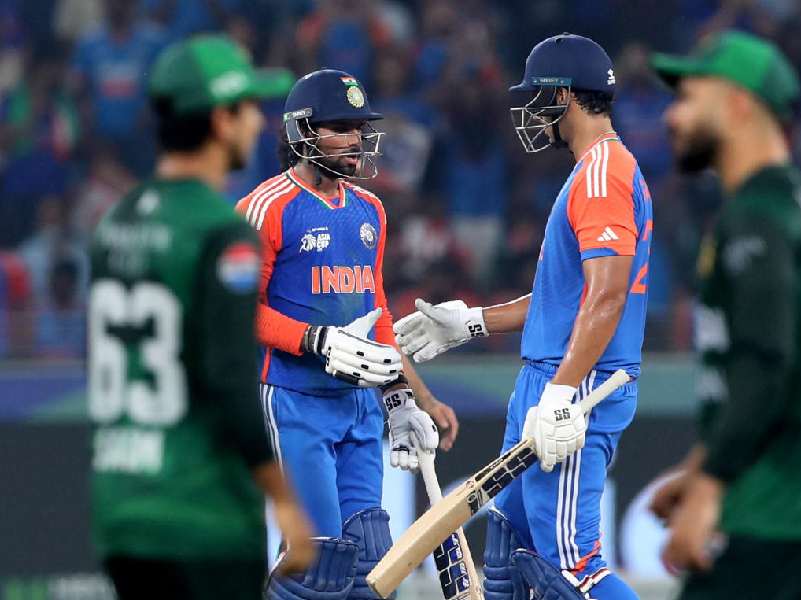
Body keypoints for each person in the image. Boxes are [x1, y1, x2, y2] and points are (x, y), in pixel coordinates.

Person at [394, 33, 652, 600]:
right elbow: (567, 297)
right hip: (554, 375)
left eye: (539, 97)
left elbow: (606, 297)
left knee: (573, 566)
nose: (533, 112)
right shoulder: (592, 169)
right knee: (509, 546)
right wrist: (474, 322)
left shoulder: (603, 172)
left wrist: (560, 393)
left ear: (564, 95)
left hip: (576, 381)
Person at [87, 34, 315, 599]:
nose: (259, 124)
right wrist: (284, 501)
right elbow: (230, 381)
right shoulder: (222, 233)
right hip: (203, 516)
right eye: (248, 110)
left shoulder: (114, 221)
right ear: (220, 120)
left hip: (124, 508)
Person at [647, 31, 801, 598]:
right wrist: (700, 465)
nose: (674, 116)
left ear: (739, 104)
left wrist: (709, 490)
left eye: (691, 97)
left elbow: (766, 365)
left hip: (769, 501)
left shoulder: (755, 216)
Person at [234, 68, 459, 600]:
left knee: (372, 567)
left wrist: (406, 398)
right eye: (340, 127)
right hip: (295, 401)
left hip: (359, 409)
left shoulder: (371, 211)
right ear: (302, 133)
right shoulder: (266, 207)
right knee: (319, 566)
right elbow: (241, 310)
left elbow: (375, 310)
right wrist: (315, 340)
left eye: (359, 127)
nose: (357, 139)